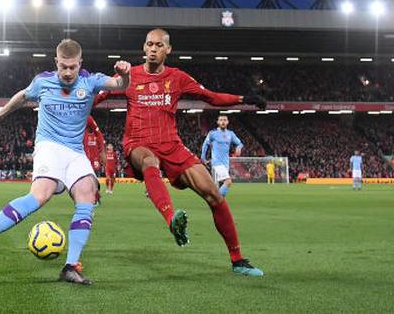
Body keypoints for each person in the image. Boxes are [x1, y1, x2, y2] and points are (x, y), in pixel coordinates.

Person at [96, 28, 266, 277]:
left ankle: (238, 259)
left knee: (214, 195)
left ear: (168, 49)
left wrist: (244, 98)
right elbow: (96, 96)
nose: (153, 49)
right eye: (149, 44)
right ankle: (171, 220)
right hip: (139, 143)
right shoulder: (128, 76)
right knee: (150, 161)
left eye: (158, 45)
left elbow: (210, 97)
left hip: (172, 145)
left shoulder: (177, 77)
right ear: (144, 47)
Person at [0, 39, 131, 285]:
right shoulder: (43, 82)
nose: (68, 72)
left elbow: (119, 85)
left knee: (87, 192)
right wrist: (0, 113)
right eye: (63, 67)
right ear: (56, 63)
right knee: (41, 194)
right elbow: (22, 96)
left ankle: (71, 266)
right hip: (49, 146)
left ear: (80, 63)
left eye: (73, 67)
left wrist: (124, 75)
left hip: (75, 152)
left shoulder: (90, 81)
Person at [201, 115, 243, 197]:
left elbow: (240, 143)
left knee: (220, 186)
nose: (223, 122)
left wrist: (239, 147)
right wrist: (203, 158)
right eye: (221, 120)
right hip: (217, 163)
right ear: (218, 122)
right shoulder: (212, 133)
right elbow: (205, 144)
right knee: (228, 182)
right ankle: (216, 199)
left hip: (226, 163)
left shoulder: (230, 134)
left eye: (224, 120)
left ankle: (218, 202)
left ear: (227, 122)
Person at [83, 116, 107, 198]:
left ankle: (95, 193)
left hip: (87, 156)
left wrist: (102, 152)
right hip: (75, 152)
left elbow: (98, 134)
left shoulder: (87, 117)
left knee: (90, 175)